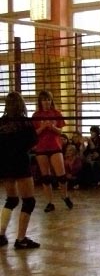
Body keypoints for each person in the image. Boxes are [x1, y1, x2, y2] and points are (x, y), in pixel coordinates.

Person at [0, 92, 40, 249]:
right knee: (29, 201)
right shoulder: (25, 123)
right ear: (21, 105)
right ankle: (21, 239)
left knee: (11, 199)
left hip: (4, 164)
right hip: (20, 163)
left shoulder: (1, 122)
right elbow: (33, 142)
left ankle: (1, 234)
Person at [32, 90, 73, 212]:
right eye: (44, 100)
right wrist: (43, 127)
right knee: (46, 177)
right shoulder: (36, 115)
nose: (46, 102)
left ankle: (65, 196)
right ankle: (49, 202)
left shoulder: (56, 113)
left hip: (55, 147)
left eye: (48, 99)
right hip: (41, 148)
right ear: (40, 101)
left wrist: (52, 127)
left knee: (62, 176)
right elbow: (33, 133)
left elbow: (61, 131)